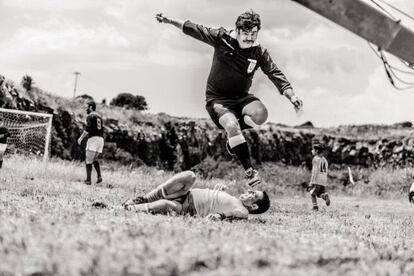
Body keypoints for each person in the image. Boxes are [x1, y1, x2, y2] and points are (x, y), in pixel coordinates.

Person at [155, 10, 303, 187]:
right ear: (238, 30)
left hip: (242, 98)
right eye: (246, 34)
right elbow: (193, 28)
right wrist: (168, 20)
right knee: (232, 125)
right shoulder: (221, 37)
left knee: (261, 115)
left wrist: (292, 96)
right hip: (218, 100)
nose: (249, 38)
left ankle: (233, 139)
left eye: (253, 34)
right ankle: (249, 171)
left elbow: (274, 73)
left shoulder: (259, 52)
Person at [121, 170, 270, 220]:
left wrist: (220, 216)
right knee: (190, 176)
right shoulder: (234, 199)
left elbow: (233, 214)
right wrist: (217, 192)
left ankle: (128, 209)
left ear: (254, 205)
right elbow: (217, 202)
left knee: (166, 205)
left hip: (188, 208)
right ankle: (144, 199)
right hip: (187, 193)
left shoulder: (243, 211)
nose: (249, 192)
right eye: (252, 190)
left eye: (253, 194)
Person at [78, 101, 104, 185]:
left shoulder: (90, 116)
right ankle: (99, 176)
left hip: (93, 139)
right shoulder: (99, 117)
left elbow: (87, 128)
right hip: (101, 140)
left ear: (91, 107)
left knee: (88, 160)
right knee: (94, 159)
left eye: (87, 107)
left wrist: (81, 138)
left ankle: (88, 180)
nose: (86, 109)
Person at [309, 140, 330, 211]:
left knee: (312, 194)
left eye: (313, 149)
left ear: (317, 151)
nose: (312, 151)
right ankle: (324, 196)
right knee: (319, 194)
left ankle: (315, 207)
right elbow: (326, 171)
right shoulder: (325, 160)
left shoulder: (315, 159)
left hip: (317, 179)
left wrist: (311, 182)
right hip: (323, 179)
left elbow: (314, 171)